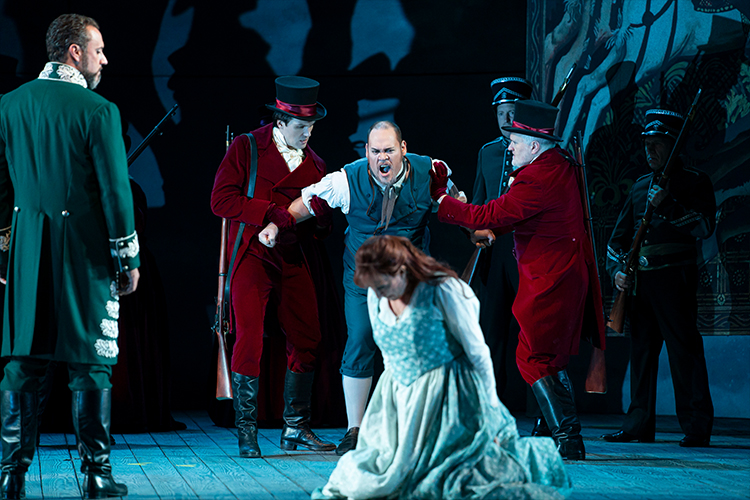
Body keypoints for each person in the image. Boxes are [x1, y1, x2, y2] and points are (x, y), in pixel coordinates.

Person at [258, 121, 464, 456]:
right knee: (360, 339)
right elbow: (306, 202)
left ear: (403, 149)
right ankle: (355, 429)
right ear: (367, 152)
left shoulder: (430, 171)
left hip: (409, 278)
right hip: (363, 278)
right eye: (376, 151)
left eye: (389, 150)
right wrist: (274, 226)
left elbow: (454, 202)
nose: (383, 157)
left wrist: (475, 229)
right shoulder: (346, 180)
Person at [311, 235, 571, 500]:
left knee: (444, 477)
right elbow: (389, 349)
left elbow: (477, 352)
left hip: (445, 394)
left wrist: (489, 408)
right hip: (397, 395)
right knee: (375, 472)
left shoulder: (443, 290)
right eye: (374, 287)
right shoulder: (377, 293)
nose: (380, 292)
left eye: (384, 285)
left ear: (402, 270)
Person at [0, 14, 139, 499]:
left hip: (28, 250)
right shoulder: (98, 110)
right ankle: (97, 476)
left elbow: (1, 187)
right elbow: (115, 193)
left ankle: (10, 476)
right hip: (84, 254)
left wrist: (5, 253)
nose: (105, 60)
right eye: (98, 50)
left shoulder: (9, 105)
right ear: (74, 52)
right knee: (90, 361)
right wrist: (127, 257)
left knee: (23, 361)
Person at [430, 100, 606, 460]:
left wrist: (442, 199)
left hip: (552, 279)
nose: (509, 147)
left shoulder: (537, 179)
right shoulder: (558, 166)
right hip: (564, 275)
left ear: (534, 145)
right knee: (548, 357)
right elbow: (519, 216)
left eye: (515, 141)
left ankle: (569, 437)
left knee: (533, 356)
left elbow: (488, 214)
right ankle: (559, 432)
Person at [210, 76, 336, 458]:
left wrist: (322, 216)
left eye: (312, 126)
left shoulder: (316, 164)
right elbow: (221, 200)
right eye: (301, 126)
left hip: (293, 256)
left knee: (308, 336)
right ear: (281, 121)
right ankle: (246, 429)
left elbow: (320, 227)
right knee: (249, 336)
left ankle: (295, 425)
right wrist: (269, 212)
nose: (307, 133)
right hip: (251, 253)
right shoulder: (247, 146)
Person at [601, 108, 715, 447]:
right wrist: (618, 272)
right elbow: (616, 241)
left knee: (684, 353)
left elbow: (705, 227)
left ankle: (696, 426)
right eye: (646, 143)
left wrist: (668, 205)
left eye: (658, 144)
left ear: (673, 145)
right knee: (642, 354)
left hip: (675, 281)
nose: (649, 150)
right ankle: (638, 424)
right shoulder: (639, 187)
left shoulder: (694, 181)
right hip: (641, 284)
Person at [470, 76, 551, 436]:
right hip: (495, 253)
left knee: (534, 334)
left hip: (529, 252)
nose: (505, 119)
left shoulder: (538, 152)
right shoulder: (487, 152)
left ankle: (544, 415)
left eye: (511, 112)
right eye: (500, 112)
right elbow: (478, 203)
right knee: (492, 334)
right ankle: (492, 413)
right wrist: (474, 230)